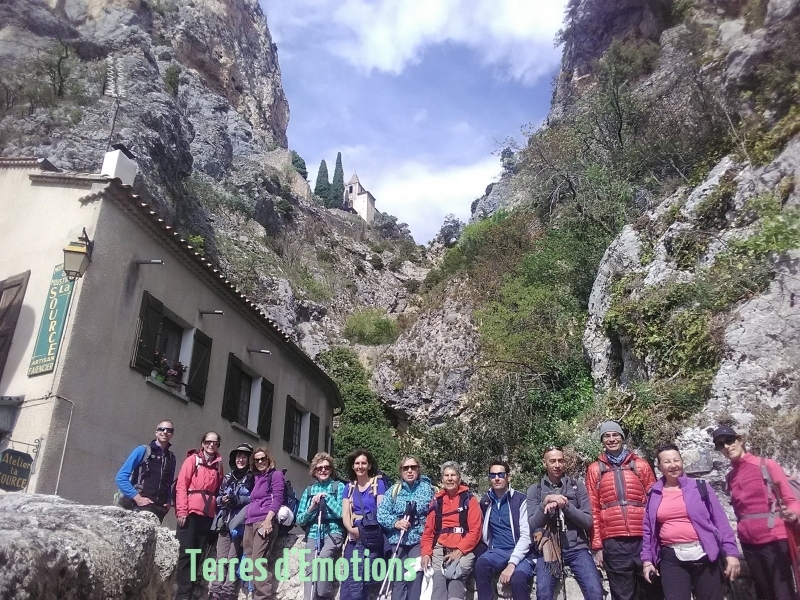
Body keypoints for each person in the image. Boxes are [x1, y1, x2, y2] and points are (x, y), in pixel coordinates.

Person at [641, 443, 741, 600]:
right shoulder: (654, 493)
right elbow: (648, 530)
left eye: (676, 460)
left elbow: (721, 522)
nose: (673, 465)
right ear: (659, 466)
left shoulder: (700, 487)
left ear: (682, 461)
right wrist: (647, 560)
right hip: (672, 559)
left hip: (705, 555)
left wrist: (731, 553)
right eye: (667, 462)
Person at [713, 425, 800, 600]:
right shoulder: (730, 477)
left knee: (783, 593)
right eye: (720, 445)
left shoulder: (766, 465)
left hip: (775, 540)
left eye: (729, 440)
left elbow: (791, 500)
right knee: (764, 594)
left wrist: (792, 514)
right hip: (748, 543)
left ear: (740, 440)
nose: (726, 446)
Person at [585, 420, 659, 600]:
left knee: (652, 590)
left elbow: (655, 502)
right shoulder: (595, 470)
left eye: (615, 435)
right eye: (607, 436)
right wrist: (597, 546)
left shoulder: (640, 465)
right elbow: (593, 508)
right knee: (622, 594)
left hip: (642, 538)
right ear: (602, 441)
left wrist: (657, 537)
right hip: (613, 542)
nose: (612, 439)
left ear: (622, 438)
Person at [528, 447, 603, 600]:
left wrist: (566, 506)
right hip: (549, 550)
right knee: (543, 593)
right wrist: (545, 504)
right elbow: (533, 523)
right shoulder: (535, 490)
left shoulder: (577, 486)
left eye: (560, 460)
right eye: (552, 461)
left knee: (595, 592)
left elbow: (587, 521)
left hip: (577, 549)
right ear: (544, 463)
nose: (557, 465)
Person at [377, 456, 436, 600]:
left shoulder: (428, 489)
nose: (409, 471)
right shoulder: (394, 490)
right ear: (401, 471)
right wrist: (395, 522)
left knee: (415, 575)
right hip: (398, 539)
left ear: (418, 470)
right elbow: (381, 513)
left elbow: (434, 513)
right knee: (399, 578)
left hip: (418, 539)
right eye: (406, 468)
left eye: (413, 467)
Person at [421, 461, 482, 600]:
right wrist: (426, 553)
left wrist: (459, 551)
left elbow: (475, 531)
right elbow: (428, 531)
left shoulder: (469, 500)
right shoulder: (436, 501)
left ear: (459, 478)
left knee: (456, 580)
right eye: (446, 475)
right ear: (442, 480)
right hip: (440, 548)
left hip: (463, 548)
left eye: (453, 475)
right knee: (439, 584)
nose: (449, 478)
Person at [175, 431, 225, 600]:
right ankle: (182, 594)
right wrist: (182, 510)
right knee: (186, 552)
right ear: (203, 443)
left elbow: (218, 490)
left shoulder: (218, 466)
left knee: (198, 553)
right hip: (190, 512)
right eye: (208, 442)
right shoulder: (192, 460)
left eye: (215, 443)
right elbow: (181, 485)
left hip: (207, 514)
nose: (211, 445)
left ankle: (189, 590)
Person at [474, 460, 535, 600]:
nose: (496, 478)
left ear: (508, 477)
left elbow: (526, 536)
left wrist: (512, 564)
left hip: (522, 552)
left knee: (518, 579)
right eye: (493, 475)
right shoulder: (486, 502)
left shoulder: (520, 500)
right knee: (481, 565)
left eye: (500, 474)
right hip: (498, 551)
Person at [296, 452, 345, 600]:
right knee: (310, 569)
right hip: (313, 532)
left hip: (334, 531)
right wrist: (311, 508)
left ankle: (324, 594)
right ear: (315, 471)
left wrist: (328, 499)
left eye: (326, 467)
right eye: (319, 468)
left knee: (323, 559)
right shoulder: (309, 490)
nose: (323, 470)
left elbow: (342, 513)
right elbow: (300, 519)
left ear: (331, 470)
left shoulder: (339, 487)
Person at [208, 443, 255, 600]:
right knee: (221, 559)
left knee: (233, 559)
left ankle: (227, 592)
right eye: (238, 456)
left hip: (240, 525)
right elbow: (218, 498)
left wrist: (237, 499)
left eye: (244, 457)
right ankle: (215, 591)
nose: (240, 459)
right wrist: (223, 500)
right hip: (224, 522)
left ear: (249, 460)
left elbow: (254, 500)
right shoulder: (228, 478)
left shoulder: (253, 479)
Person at [340, 448, 387, 600]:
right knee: (348, 576)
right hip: (353, 535)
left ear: (369, 465)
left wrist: (365, 531)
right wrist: (351, 529)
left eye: (363, 463)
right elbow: (345, 514)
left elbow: (381, 511)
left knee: (365, 578)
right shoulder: (349, 488)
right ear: (353, 466)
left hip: (371, 536)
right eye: (357, 463)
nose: (360, 466)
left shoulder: (378, 484)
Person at [114, 419, 176, 523]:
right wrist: (137, 498)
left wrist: (168, 502)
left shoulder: (171, 458)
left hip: (160, 509)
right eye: (162, 429)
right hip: (140, 506)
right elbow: (121, 478)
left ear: (172, 435)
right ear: (156, 432)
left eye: (169, 430)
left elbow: (168, 483)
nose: (165, 432)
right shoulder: (143, 450)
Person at [244, 447, 284, 600]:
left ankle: (263, 597)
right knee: (250, 562)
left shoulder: (276, 475)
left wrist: (268, 520)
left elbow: (278, 498)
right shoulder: (256, 478)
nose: (260, 462)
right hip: (250, 523)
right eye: (257, 460)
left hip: (263, 521)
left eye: (263, 458)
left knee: (258, 563)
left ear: (269, 459)